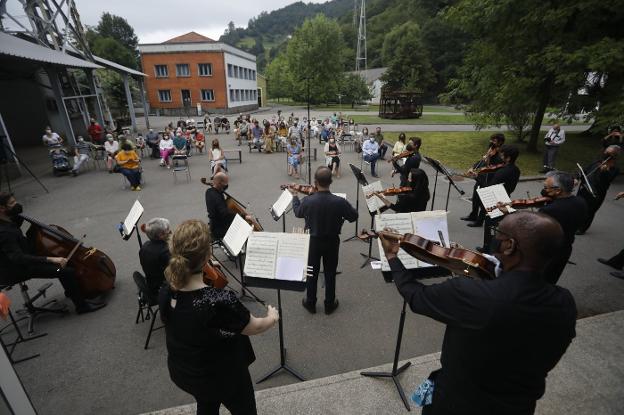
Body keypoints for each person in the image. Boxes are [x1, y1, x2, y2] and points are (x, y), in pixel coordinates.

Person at [379, 211, 577, 415]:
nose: (494, 238)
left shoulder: (470, 295)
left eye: (498, 234)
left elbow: (415, 295)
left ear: (509, 246)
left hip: (456, 403)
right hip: (518, 406)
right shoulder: (565, 302)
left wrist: (392, 256)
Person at [159, 219, 278, 415]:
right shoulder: (217, 300)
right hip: (224, 375)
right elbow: (254, 327)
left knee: (206, 403)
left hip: (187, 371)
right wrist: (272, 317)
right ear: (207, 254)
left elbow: (193, 314)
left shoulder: (166, 290)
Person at [0, 192, 106, 314]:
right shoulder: (4, 233)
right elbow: (18, 258)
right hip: (18, 269)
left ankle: (74, 292)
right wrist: (50, 259)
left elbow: (17, 224)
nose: (17, 204)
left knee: (64, 261)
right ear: (2, 208)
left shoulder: (8, 220)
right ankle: (82, 306)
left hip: (25, 257)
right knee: (64, 270)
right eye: (12, 203)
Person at [290, 167, 358, 314]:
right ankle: (329, 304)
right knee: (330, 272)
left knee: (311, 273)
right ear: (331, 182)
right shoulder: (340, 202)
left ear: (315, 182)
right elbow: (354, 216)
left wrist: (295, 196)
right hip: (332, 242)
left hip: (313, 242)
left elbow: (297, 212)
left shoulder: (308, 200)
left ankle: (310, 303)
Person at [537, 171, 588, 284]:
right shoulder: (581, 202)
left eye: (546, 187)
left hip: (547, 253)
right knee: (550, 280)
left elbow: (536, 232)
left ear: (558, 190)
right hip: (565, 249)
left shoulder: (550, 210)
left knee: (538, 282)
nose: (544, 190)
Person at [461, 133, 505, 224]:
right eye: (491, 140)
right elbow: (483, 162)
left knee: (483, 200)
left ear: (500, 142)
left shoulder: (501, 153)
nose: (491, 142)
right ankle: (473, 215)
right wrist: (473, 167)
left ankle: (480, 220)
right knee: (475, 196)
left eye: (494, 141)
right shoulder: (491, 149)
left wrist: (488, 158)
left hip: (489, 179)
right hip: (481, 177)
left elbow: (494, 166)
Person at [576, 145, 621, 234]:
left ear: (614, 156)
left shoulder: (615, 169)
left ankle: (582, 228)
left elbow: (607, 180)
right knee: (577, 207)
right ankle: (574, 223)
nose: (605, 153)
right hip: (584, 188)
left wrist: (605, 171)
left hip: (597, 193)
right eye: (605, 151)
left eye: (608, 153)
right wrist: (577, 178)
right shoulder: (597, 162)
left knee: (590, 211)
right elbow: (584, 171)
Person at [139, 218, 171, 298]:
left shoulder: (144, 246)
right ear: (161, 235)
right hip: (163, 288)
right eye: (168, 230)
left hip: (151, 283)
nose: (170, 231)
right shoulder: (165, 252)